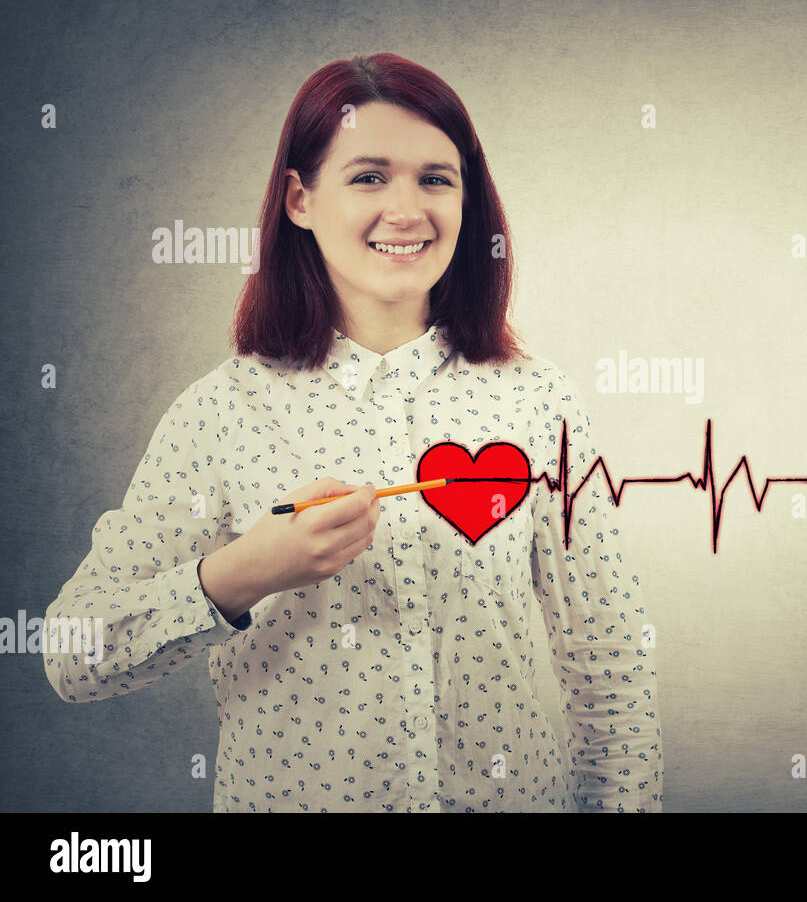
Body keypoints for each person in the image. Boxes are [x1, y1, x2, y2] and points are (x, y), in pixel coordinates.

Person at [43, 53, 662, 812]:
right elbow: (72, 656)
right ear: (300, 199)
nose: (407, 210)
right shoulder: (221, 413)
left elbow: (611, 664)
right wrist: (243, 572)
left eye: (437, 178)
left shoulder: (539, 400)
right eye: (369, 177)